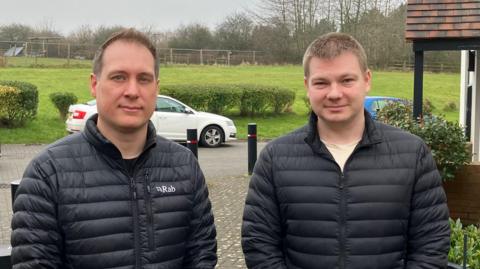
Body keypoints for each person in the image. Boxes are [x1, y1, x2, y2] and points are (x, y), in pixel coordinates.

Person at [11, 28, 217, 269]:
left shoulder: (184, 165)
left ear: (156, 87)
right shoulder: (48, 173)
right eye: (119, 77)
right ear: (94, 83)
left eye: (143, 79)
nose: (132, 91)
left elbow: (202, 255)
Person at [241, 32, 450, 268]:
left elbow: (431, 244)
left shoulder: (413, 154)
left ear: (367, 80)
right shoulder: (275, 158)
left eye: (346, 80)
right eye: (321, 82)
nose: (334, 93)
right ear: (306, 85)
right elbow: (259, 244)